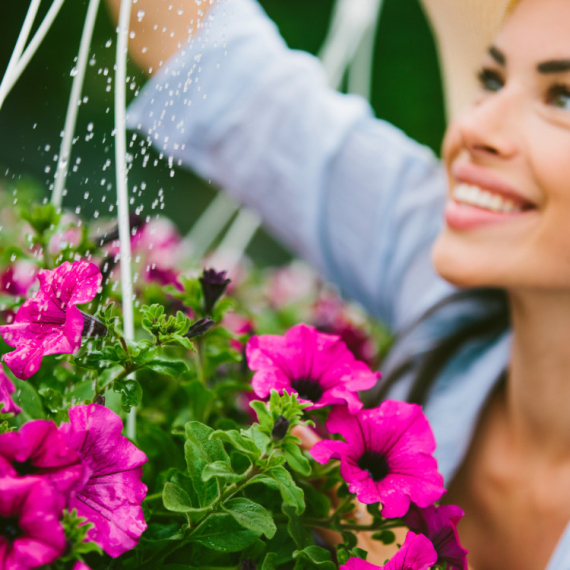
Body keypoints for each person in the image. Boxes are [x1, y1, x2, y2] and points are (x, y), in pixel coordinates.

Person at [105, 0, 570, 568]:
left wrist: (378, 549)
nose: (473, 126)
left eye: (562, 98)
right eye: (491, 79)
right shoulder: (446, 271)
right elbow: (220, 70)